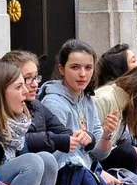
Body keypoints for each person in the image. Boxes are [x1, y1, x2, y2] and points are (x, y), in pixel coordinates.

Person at [38, 40, 119, 175]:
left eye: (88, 68)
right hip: (65, 174)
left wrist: (107, 134)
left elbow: (100, 154)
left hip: (86, 170)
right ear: (62, 69)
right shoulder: (53, 102)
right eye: (75, 67)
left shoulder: (87, 100)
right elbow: (59, 156)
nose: (83, 74)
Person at [1, 50, 75, 158]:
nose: (35, 84)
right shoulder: (0, 108)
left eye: (35, 77)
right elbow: (19, 139)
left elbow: (62, 131)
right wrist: (54, 140)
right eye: (28, 79)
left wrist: (82, 136)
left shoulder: (36, 105)